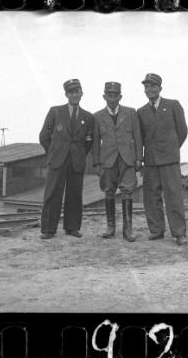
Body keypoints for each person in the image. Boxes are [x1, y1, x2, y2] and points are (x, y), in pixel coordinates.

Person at [137, 73, 188, 246]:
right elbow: (141, 137)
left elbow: (182, 131)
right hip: (151, 161)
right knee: (151, 198)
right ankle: (156, 230)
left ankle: (179, 233)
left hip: (169, 160)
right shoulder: (141, 111)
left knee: (173, 196)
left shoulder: (172, 105)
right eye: (146, 87)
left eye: (152, 86)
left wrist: (171, 149)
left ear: (160, 88)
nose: (149, 89)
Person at [39, 79, 94, 239]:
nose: (75, 95)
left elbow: (89, 141)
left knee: (75, 194)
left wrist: (80, 154)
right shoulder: (55, 112)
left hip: (76, 161)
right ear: (66, 94)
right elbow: (44, 135)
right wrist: (54, 152)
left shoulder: (88, 117)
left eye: (77, 91)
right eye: (71, 92)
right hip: (57, 160)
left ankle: (72, 228)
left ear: (82, 93)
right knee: (52, 193)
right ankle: (48, 229)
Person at [92, 82, 143, 242]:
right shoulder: (97, 116)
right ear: (104, 96)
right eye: (109, 95)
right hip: (107, 160)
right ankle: (110, 227)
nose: (112, 98)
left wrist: (139, 158)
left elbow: (138, 136)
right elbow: (95, 142)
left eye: (115, 95)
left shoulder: (130, 113)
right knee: (109, 191)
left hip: (127, 159)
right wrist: (96, 163)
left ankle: (128, 230)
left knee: (127, 191)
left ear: (120, 97)